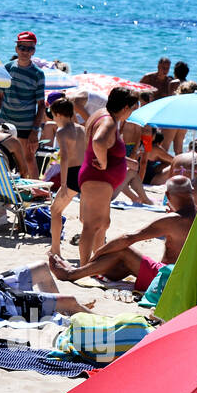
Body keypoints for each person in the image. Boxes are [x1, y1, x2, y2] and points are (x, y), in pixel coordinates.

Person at [48, 176, 197, 292]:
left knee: (124, 251)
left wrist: (98, 253)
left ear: (168, 196)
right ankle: (89, 272)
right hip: (187, 278)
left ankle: (72, 274)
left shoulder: (173, 220)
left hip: (166, 278)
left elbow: (128, 239)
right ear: (192, 193)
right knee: (121, 264)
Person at [76, 86, 140, 266]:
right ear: (126, 107)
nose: (132, 113)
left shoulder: (100, 114)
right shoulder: (109, 121)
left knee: (103, 224)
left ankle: (96, 264)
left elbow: (105, 146)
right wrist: (103, 163)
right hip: (97, 179)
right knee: (91, 226)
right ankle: (84, 267)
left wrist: (125, 161)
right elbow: (98, 142)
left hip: (95, 178)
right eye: (133, 109)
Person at [0, 31, 46, 175]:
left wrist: (35, 131)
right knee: (1, 157)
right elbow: (0, 97)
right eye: (22, 47)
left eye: (29, 48)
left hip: (26, 125)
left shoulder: (38, 74)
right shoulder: (7, 68)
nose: (25, 51)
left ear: (34, 51)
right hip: (5, 121)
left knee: (28, 158)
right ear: (16, 49)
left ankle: (36, 191)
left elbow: (42, 105)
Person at [47, 97, 86, 255]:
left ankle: (55, 249)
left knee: (55, 211)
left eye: (53, 115)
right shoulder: (82, 129)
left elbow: (64, 158)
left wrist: (63, 184)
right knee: (85, 218)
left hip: (72, 174)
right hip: (85, 172)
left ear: (58, 114)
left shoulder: (62, 132)